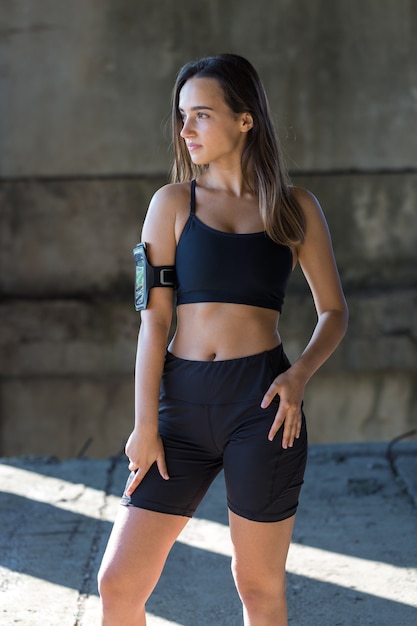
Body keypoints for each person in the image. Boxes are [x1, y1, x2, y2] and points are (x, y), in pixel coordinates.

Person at [98, 53, 348, 626]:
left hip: (261, 405)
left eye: (202, 115)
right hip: (181, 408)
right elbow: (153, 322)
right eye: (181, 116)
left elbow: (334, 311)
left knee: (258, 586)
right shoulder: (171, 205)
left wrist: (298, 374)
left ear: (244, 119)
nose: (185, 130)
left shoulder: (294, 209)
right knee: (118, 583)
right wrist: (145, 425)